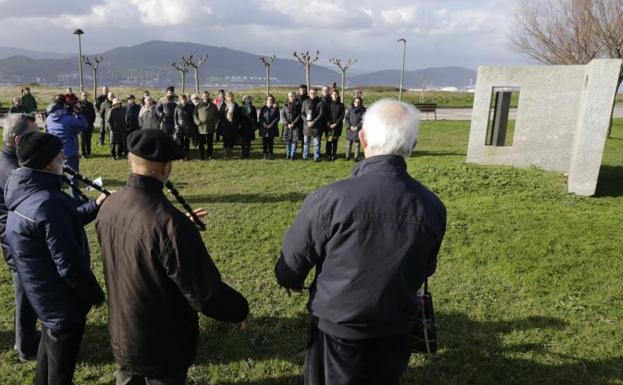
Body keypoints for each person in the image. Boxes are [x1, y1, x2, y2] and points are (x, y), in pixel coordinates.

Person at [274, 99, 447, 385]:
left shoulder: (331, 198)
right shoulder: (431, 205)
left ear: (363, 138)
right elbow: (427, 267)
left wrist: (289, 278)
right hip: (397, 324)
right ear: (412, 146)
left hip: (339, 328)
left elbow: (292, 262)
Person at [95, 129, 249, 385]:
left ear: (130, 161)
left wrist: (174, 229)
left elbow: (136, 244)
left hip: (123, 330)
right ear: (166, 168)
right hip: (162, 343)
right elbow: (204, 293)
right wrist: (239, 310)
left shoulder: (110, 205)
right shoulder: (169, 225)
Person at [5, 131, 107, 385]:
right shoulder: (47, 202)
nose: (64, 156)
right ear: (48, 161)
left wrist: (95, 204)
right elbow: (69, 264)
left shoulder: (25, 188)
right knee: (62, 369)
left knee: (49, 347)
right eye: (58, 153)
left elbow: (60, 223)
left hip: (42, 293)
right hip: (60, 299)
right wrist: (94, 295)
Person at [0, 114, 39, 363]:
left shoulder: (7, 159)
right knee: (25, 291)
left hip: (9, 231)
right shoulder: (14, 170)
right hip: (16, 236)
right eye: (34, 134)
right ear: (18, 139)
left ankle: (24, 338)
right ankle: (25, 347)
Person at [45, 95, 88, 200]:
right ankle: (75, 199)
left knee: (58, 176)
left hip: (56, 152)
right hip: (71, 152)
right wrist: (79, 114)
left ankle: (57, 199)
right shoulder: (69, 119)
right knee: (73, 177)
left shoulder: (49, 119)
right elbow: (84, 126)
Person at [193, 91, 219, 160]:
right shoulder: (198, 105)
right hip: (201, 128)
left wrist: (214, 123)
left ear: (209, 96)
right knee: (201, 143)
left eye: (207, 96)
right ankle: (202, 156)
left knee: (210, 143)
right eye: (204, 96)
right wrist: (197, 122)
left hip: (210, 127)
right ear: (202, 97)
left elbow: (217, 116)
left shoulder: (213, 106)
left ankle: (209, 155)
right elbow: (194, 115)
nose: (205, 97)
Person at [301, 88, 324, 161]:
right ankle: (305, 156)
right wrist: (307, 121)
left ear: (317, 94)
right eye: (311, 93)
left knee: (316, 143)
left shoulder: (320, 103)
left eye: (314, 93)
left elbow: (321, 114)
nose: (312, 94)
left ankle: (316, 157)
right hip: (306, 126)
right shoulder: (305, 102)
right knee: (306, 143)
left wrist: (313, 122)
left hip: (316, 126)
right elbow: (302, 113)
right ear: (309, 93)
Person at [174, 94, 197, 160]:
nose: (183, 101)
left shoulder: (190, 107)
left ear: (186, 100)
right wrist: (176, 124)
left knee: (187, 142)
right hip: (180, 127)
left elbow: (192, 118)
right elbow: (175, 117)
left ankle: (187, 155)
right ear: (180, 100)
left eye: (185, 99)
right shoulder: (177, 108)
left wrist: (192, 126)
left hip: (188, 126)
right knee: (181, 142)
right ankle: (181, 156)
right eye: (182, 99)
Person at [219, 92, 240, 160]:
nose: (230, 98)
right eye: (229, 97)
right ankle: (225, 155)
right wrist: (224, 122)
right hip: (225, 126)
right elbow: (220, 116)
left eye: (231, 97)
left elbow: (238, 116)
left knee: (231, 141)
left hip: (233, 126)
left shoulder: (235, 105)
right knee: (226, 141)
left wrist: (236, 123)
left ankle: (231, 155)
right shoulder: (224, 105)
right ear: (226, 98)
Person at [325, 89, 345, 161]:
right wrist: (329, 124)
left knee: (335, 142)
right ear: (331, 95)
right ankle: (328, 154)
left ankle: (334, 154)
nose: (334, 95)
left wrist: (336, 123)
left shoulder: (341, 105)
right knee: (329, 141)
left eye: (336, 94)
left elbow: (342, 115)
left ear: (338, 95)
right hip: (329, 127)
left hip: (337, 127)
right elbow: (326, 115)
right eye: (333, 94)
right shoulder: (328, 104)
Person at [258, 94, 280, 160]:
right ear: (266, 100)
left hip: (272, 128)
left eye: (271, 99)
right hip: (264, 128)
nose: (270, 100)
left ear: (273, 100)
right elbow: (260, 118)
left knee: (271, 141)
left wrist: (271, 125)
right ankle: (264, 153)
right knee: (264, 141)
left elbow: (277, 118)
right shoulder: (263, 108)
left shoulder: (275, 108)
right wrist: (264, 125)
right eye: (268, 99)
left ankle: (270, 154)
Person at [282, 91, 302, 160]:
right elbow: (283, 115)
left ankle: (292, 154)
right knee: (288, 141)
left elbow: (299, 115)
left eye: (293, 96)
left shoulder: (298, 104)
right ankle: (288, 154)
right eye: (290, 96)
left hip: (295, 126)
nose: (291, 97)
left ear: (295, 96)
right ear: (288, 97)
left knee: (294, 141)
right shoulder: (285, 104)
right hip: (287, 126)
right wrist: (287, 123)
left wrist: (293, 123)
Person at [345, 96, 366, 161]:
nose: (357, 103)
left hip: (358, 130)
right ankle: (347, 157)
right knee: (349, 144)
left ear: (360, 103)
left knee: (357, 145)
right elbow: (347, 118)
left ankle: (355, 157)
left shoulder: (363, 110)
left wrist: (357, 127)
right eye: (355, 101)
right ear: (353, 102)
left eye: (358, 102)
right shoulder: (350, 109)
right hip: (350, 129)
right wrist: (349, 126)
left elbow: (363, 120)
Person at [78, 91, 96, 158]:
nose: (84, 96)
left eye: (85, 95)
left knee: (88, 140)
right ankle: (83, 154)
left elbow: (93, 114)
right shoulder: (79, 104)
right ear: (81, 96)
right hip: (82, 126)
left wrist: (92, 122)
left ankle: (88, 152)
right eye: (83, 95)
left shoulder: (90, 104)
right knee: (83, 140)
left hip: (89, 125)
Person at [239, 95, 257, 159]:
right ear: (243, 100)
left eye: (248, 99)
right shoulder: (241, 108)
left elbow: (255, 118)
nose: (247, 100)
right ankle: (243, 152)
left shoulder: (253, 108)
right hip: (243, 126)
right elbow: (239, 118)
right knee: (243, 141)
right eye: (245, 99)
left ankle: (247, 153)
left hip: (250, 126)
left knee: (248, 141)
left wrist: (255, 125)